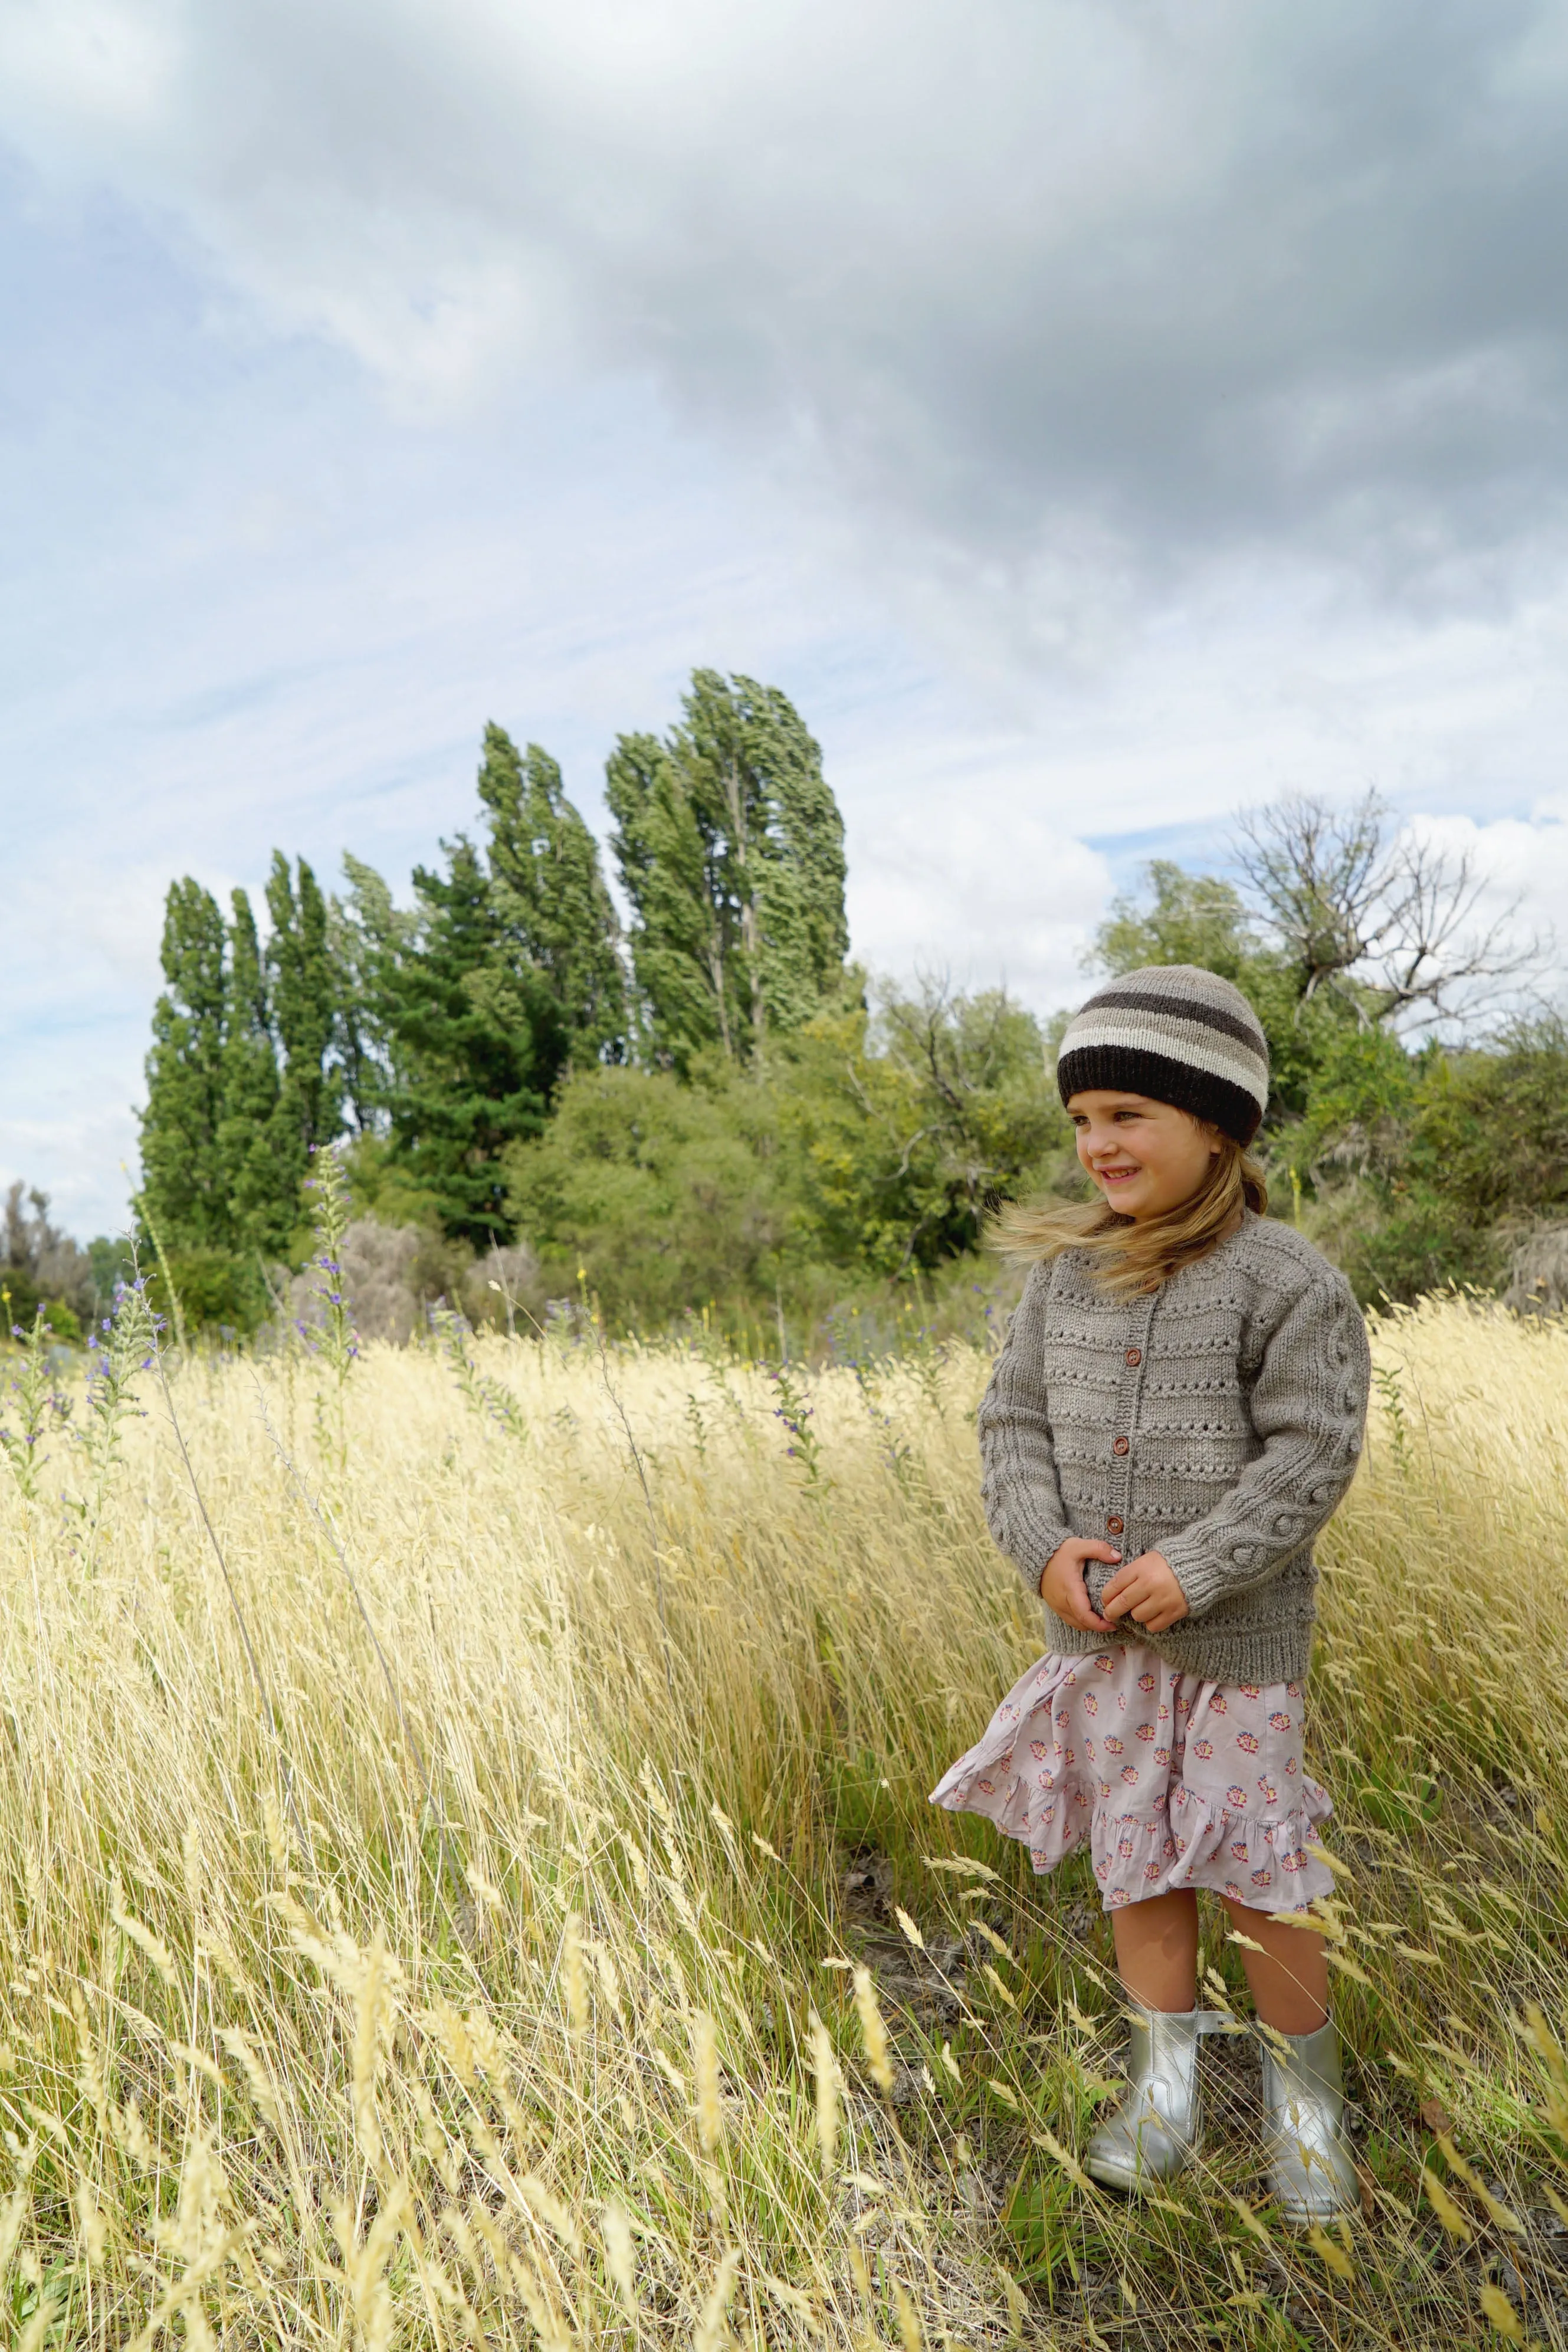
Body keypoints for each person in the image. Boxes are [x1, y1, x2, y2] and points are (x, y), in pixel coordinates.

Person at [931, 965, 1370, 2220]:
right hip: (1100, 1643)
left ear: (1216, 1122)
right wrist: (1040, 1544)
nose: (1097, 1143)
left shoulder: (1285, 1279)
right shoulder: (1064, 1281)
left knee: (1259, 1873)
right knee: (1138, 1868)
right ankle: (1164, 2093)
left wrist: (1201, 1565)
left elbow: (1313, 1451)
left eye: (1126, 1113)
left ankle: (1305, 2110)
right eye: (1081, 1121)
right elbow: (1009, 1419)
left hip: (1235, 1645)